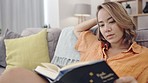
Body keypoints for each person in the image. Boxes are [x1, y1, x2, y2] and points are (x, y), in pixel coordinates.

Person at [0, 2, 147, 83]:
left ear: (122, 20)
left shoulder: (143, 56)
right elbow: (77, 29)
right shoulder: (94, 43)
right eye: (102, 25)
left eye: (112, 21)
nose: (106, 29)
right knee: (13, 73)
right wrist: (99, 17)